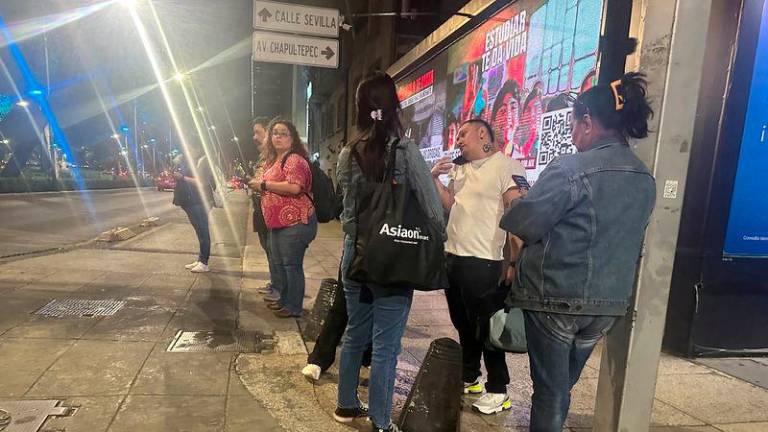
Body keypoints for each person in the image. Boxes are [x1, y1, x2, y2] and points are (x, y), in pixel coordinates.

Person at [499, 72, 656, 431]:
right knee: (562, 386)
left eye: (573, 125)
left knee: (551, 394)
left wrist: (518, 201)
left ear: (587, 122)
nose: (572, 134)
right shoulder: (644, 177)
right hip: (607, 305)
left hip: (556, 297)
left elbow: (523, 222)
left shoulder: (570, 168)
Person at [334, 72, 444, 432]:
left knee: (354, 333)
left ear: (361, 110)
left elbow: (347, 213)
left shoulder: (348, 153)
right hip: (392, 254)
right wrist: (437, 239)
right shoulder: (404, 150)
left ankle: (346, 405)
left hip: (355, 254)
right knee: (386, 346)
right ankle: (381, 422)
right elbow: (431, 207)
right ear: (393, 106)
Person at [430, 118, 525, 415]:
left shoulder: (507, 166)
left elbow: (517, 214)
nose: (458, 140)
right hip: (453, 256)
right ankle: (470, 375)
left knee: (488, 328)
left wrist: (513, 262)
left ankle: (498, 390)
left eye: (463, 134)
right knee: (462, 323)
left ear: (482, 133)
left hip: (486, 260)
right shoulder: (460, 168)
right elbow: (450, 204)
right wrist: (434, 178)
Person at [250, 119, 317, 319]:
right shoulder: (274, 160)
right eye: (275, 133)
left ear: (292, 138)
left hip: (295, 222)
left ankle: (294, 306)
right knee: (280, 263)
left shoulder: (294, 159)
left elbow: (294, 187)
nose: (278, 137)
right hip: (278, 224)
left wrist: (263, 185)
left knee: (291, 265)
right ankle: (285, 301)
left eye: (283, 133)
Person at [248, 117, 279, 301]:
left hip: (269, 211)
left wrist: (258, 183)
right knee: (268, 250)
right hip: (260, 210)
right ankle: (275, 285)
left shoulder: (275, 157)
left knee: (273, 251)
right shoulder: (263, 156)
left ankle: (280, 290)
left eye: (258, 132)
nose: (254, 137)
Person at [172, 146, 215, 273]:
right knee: (199, 230)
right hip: (190, 201)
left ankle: (204, 262)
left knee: (202, 230)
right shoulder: (191, 161)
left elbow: (201, 182)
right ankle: (201, 259)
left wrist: (182, 177)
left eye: (190, 147)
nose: (187, 150)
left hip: (198, 201)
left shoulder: (202, 161)